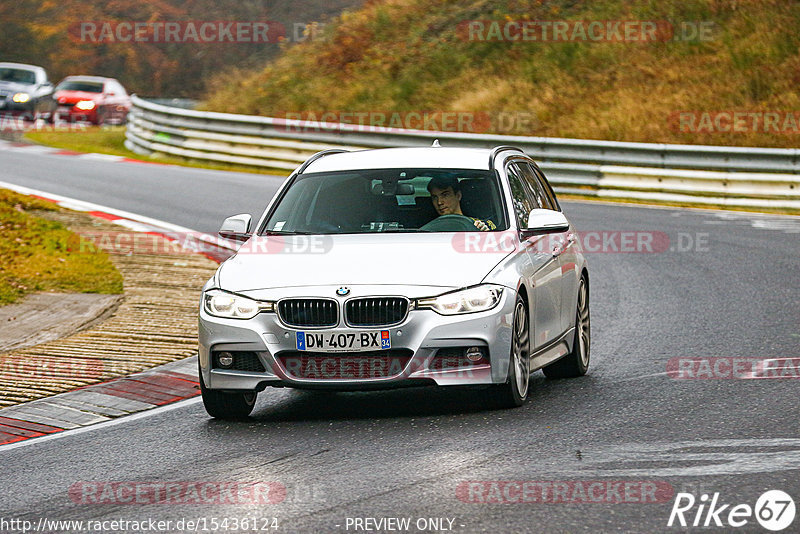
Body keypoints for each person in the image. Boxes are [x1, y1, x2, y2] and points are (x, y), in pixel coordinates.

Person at [426, 175, 496, 231]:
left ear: (458, 195)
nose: (439, 202)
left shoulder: (478, 224)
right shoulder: (427, 228)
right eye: (434, 197)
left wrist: (484, 233)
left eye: (445, 195)